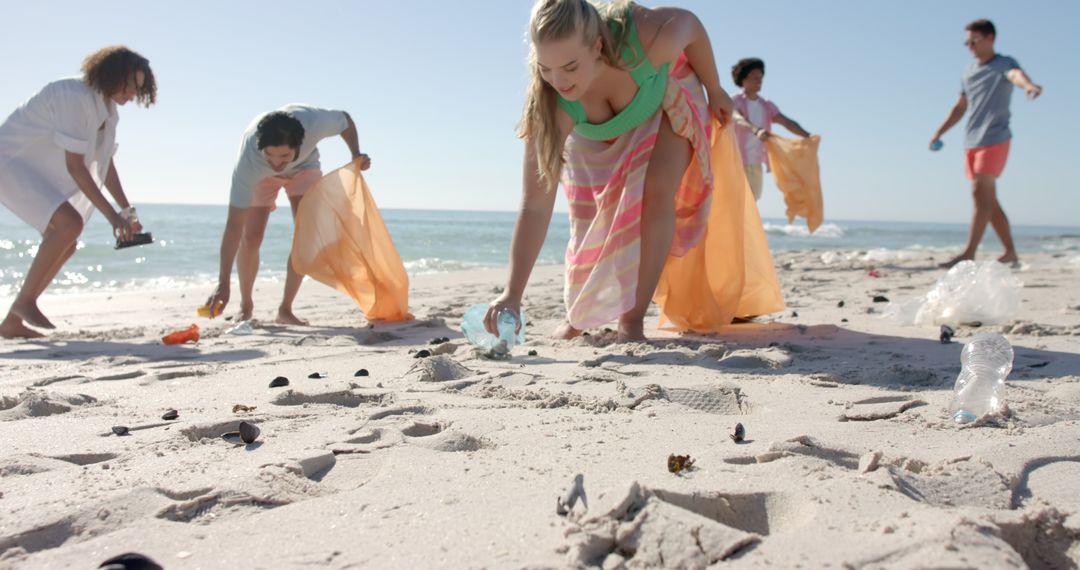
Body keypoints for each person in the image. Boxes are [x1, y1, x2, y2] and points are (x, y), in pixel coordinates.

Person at [485, 0, 782, 342]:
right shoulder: (552, 104)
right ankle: (579, 313)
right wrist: (512, 293)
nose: (558, 80)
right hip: (599, 131)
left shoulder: (647, 39)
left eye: (569, 66)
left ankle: (632, 319)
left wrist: (714, 89)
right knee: (589, 216)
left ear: (597, 46)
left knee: (656, 191)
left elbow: (691, 25)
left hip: (666, 93)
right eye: (545, 67)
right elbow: (535, 204)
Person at [0, 46, 156, 339]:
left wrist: (127, 211)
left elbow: (105, 164)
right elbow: (76, 167)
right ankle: (25, 302)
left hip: (40, 171)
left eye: (137, 88)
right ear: (109, 75)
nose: (133, 94)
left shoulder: (109, 112)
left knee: (67, 241)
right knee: (70, 225)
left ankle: (11, 322)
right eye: (129, 85)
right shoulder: (72, 95)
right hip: (10, 162)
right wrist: (112, 218)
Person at [204, 105, 371, 325]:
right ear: (261, 147)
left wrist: (356, 153)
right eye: (270, 155)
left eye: (283, 155)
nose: (277, 162)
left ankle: (285, 310)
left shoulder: (314, 123)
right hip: (261, 176)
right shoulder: (249, 162)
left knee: (305, 239)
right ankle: (246, 307)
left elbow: (346, 120)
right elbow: (234, 225)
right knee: (250, 237)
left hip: (304, 168)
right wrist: (223, 283)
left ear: (299, 145)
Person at [930, 19, 1042, 269]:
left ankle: (969, 252)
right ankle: (1010, 252)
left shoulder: (1004, 63)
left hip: (995, 137)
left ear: (990, 38)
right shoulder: (968, 71)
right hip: (972, 141)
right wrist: (939, 132)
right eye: (966, 41)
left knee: (979, 193)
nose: (969, 45)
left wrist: (1029, 85)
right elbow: (960, 107)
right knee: (987, 200)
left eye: (974, 40)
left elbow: (1016, 76)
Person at [729, 58, 811, 202]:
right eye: (755, 78)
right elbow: (738, 118)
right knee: (734, 201)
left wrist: (807, 136)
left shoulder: (766, 105)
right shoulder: (734, 100)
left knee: (752, 202)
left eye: (760, 78)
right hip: (733, 159)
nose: (759, 81)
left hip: (755, 162)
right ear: (743, 79)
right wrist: (756, 130)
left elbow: (786, 122)